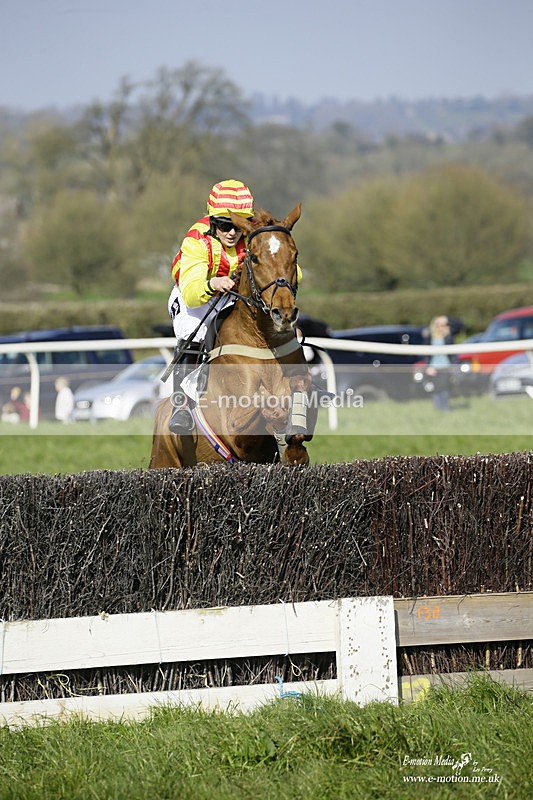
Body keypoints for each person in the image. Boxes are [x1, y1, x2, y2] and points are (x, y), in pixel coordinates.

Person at [166, 179, 255, 434]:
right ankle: (181, 406)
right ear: (212, 220)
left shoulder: (254, 234)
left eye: (238, 225)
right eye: (224, 225)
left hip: (230, 294)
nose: (231, 232)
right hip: (192, 296)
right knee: (192, 329)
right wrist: (212, 283)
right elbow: (193, 294)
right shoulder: (196, 239)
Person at [425, 315, 453, 411]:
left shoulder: (448, 336)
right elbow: (426, 354)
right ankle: (437, 409)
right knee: (436, 388)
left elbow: (460, 325)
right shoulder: (429, 336)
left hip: (445, 366)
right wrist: (428, 367)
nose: (440, 326)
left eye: (443, 324)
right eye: (438, 324)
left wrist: (447, 320)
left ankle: (445, 408)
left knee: (444, 387)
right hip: (433, 367)